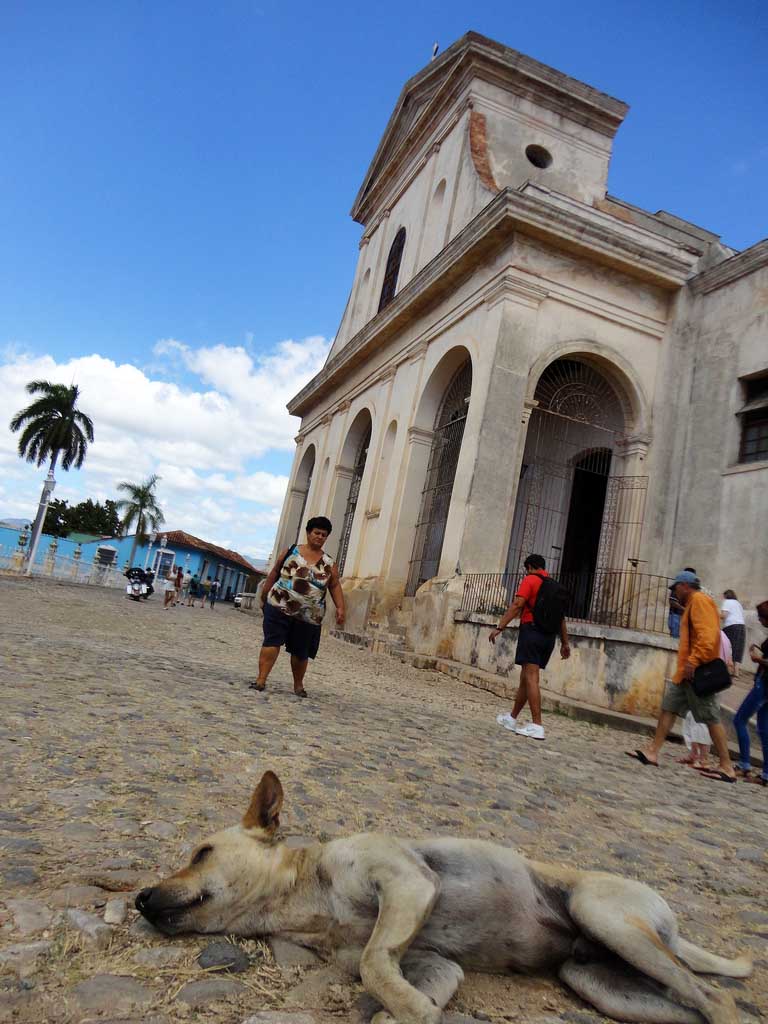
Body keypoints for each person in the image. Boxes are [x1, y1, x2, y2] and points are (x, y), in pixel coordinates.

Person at [626, 570, 736, 782]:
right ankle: (653, 752)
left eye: (676, 587)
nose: (675, 592)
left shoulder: (700, 601)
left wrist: (694, 661)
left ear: (685, 585)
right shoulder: (694, 603)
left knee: (711, 717)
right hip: (686, 672)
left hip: (697, 671)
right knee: (668, 707)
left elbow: (708, 635)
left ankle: (726, 766)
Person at [251, 516, 345, 697]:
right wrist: (265, 594)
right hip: (279, 605)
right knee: (272, 641)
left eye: (324, 535)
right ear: (309, 533)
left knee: (301, 652)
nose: (319, 537)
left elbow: (334, 585)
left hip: (309, 615)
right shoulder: (291, 551)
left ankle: (298, 686)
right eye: (317, 533)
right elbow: (275, 572)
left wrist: (341, 608)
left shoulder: (329, 563)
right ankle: (261, 680)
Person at [489, 553, 570, 741]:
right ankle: (512, 718)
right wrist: (565, 643)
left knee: (531, 677)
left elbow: (518, 604)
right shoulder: (553, 587)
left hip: (532, 632)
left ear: (530, 567)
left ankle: (537, 725)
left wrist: (500, 626)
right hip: (548, 637)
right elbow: (561, 618)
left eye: (527, 569)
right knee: (526, 678)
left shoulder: (531, 580)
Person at [677, 631, 733, 769]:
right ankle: (695, 753)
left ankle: (703, 757)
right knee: (692, 717)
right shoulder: (722, 636)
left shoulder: (711, 636)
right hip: (711, 680)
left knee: (702, 719)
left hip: (706, 681)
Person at [732, 600, 768, 786]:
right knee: (764, 730)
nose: (760, 622)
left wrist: (757, 659)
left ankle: (744, 763)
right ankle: (766, 774)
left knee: (739, 720)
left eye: (762, 618)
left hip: (764, 684)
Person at [720, 589, 746, 677]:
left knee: (727, 646)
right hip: (741, 626)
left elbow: (724, 615)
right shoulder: (738, 604)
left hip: (731, 626)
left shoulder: (727, 602)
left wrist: (715, 614)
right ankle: (736, 671)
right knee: (738, 648)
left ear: (726, 596)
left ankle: (727, 670)